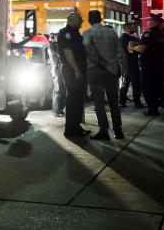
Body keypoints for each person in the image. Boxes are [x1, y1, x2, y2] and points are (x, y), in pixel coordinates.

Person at [82, 11, 126, 140]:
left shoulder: (87, 33)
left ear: (89, 21)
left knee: (99, 102)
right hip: (111, 71)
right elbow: (121, 53)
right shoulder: (111, 33)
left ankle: (103, 130)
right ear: (101, 19)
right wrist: (124, 69)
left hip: (94, 71)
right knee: (113, 101)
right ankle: (118, 130)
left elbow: (85, 52)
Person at [57, 11, 89, 138]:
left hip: (76, 70)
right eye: (79, 19)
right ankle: (71, 129)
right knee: (73, 99)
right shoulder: (66, 33)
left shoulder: (74, 33)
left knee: (77, 99)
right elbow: (68, 53)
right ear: (71, 20)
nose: (82, 21)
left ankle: (76, 127)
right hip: (72, 70)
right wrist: (77, 70)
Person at [138, 15, 164, 116]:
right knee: (157, 87)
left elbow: (142, 48)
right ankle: (155, 108)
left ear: (154, 22)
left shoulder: (148, 34)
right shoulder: (162, 34)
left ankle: (151, 109)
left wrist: (134, 49)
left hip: (149, 65)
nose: (148, 21)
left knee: (147, 87)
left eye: (149, 20)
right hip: (160, 65)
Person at [119, 22, 144, 109]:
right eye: (130, 27)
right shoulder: (126, 37)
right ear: (126, 28)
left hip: (127, 63)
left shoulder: (126, 37)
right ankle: (137, 102)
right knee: (135, 83)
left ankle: (122, 101)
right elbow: (135, 44)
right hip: (130, 63)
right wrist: (138, 43)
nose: (132, 28)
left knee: (126, 83)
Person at [48, 33, 65, 117]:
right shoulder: (53, 46)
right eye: (56, 37)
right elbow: (59, 55)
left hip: (56, 68)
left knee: (58, 89)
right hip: (56, 68)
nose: (57, 39)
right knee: (58, 89)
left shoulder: (53, 45)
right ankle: (57, 110)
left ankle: (59, 110)